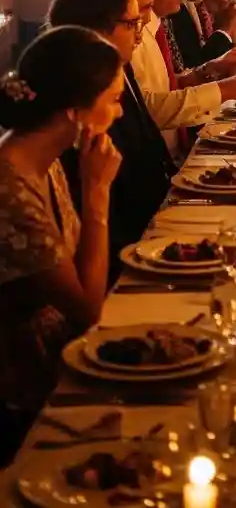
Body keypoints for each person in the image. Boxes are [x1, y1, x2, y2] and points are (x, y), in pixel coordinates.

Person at [0, 28, 123, 461]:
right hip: (27, 396)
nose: (120, 113)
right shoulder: (9, 190)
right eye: (112, 100)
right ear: (75, 112)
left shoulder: (43, 160)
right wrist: (97, 196)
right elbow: (88, 311)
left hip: (62, 357)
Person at [48, 0, 177, 273]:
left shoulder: (119, 68)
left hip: (148, 231)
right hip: (125, 255)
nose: (141, 31)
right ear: (96, 29)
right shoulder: (75, 110)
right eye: (132, 22)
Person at [88, 0, 236, 157]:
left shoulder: (148, 26)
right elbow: (150, 110)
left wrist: (207, 70)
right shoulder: (114, 50)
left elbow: (163, 87)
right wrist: (225, 89)